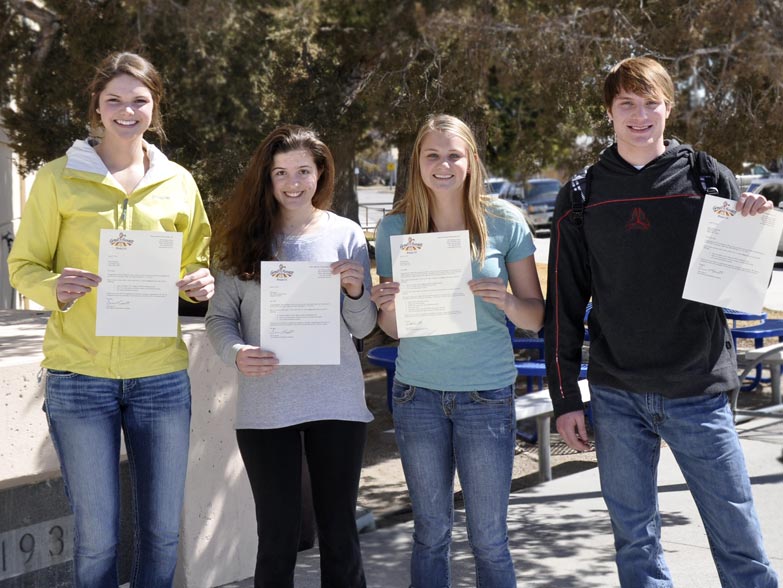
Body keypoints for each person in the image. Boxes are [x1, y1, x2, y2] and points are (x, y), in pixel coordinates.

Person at [545, 56, 779, 588]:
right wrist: (565, 401)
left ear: (668, 106)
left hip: (698, 387)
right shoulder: (582, 194)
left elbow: (746, 288)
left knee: (738, 537)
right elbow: (563, 304)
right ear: (609, 112)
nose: (640, 114)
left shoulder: (705, 176)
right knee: (636, 541)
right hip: (616, 394)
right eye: (626, 103)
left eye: (651, 102)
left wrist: (756, 231)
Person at [7, 52, 214, 587]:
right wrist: (56, 288)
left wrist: (199, 282)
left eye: (139, 100)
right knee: (98, 540)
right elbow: (22, 264)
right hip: (80, 379)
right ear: (96, 108)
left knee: (164, 533)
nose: (127, 110)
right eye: (114, 100)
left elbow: (197, 258)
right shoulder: (56, 179)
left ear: (155, 106)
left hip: (161, 378)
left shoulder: (178, 182)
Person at [371, 114, 545, 587]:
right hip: (417, 395)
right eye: (432, 155)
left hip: (486, 396)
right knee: (430, 532)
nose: (443, 164)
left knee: (489, 536)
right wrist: (384, 306)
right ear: (417, 162)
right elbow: (392, 327)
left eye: (454, 154)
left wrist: (506, 300)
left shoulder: (504, 221)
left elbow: (536, 317)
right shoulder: (395, 227)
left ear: (470, 161)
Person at [205, 125, 375, 588]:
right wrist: (236, 353)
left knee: (340, 534)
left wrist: (357, 289)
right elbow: (219, 319)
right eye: (281, 172)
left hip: (336, 402)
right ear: (267, 178)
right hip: (266, 406)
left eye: (303, 170)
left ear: (321, 172)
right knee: (278, 537)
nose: (292, 182)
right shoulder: (240, 240)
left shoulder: (346, 234)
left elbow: (363, 327)